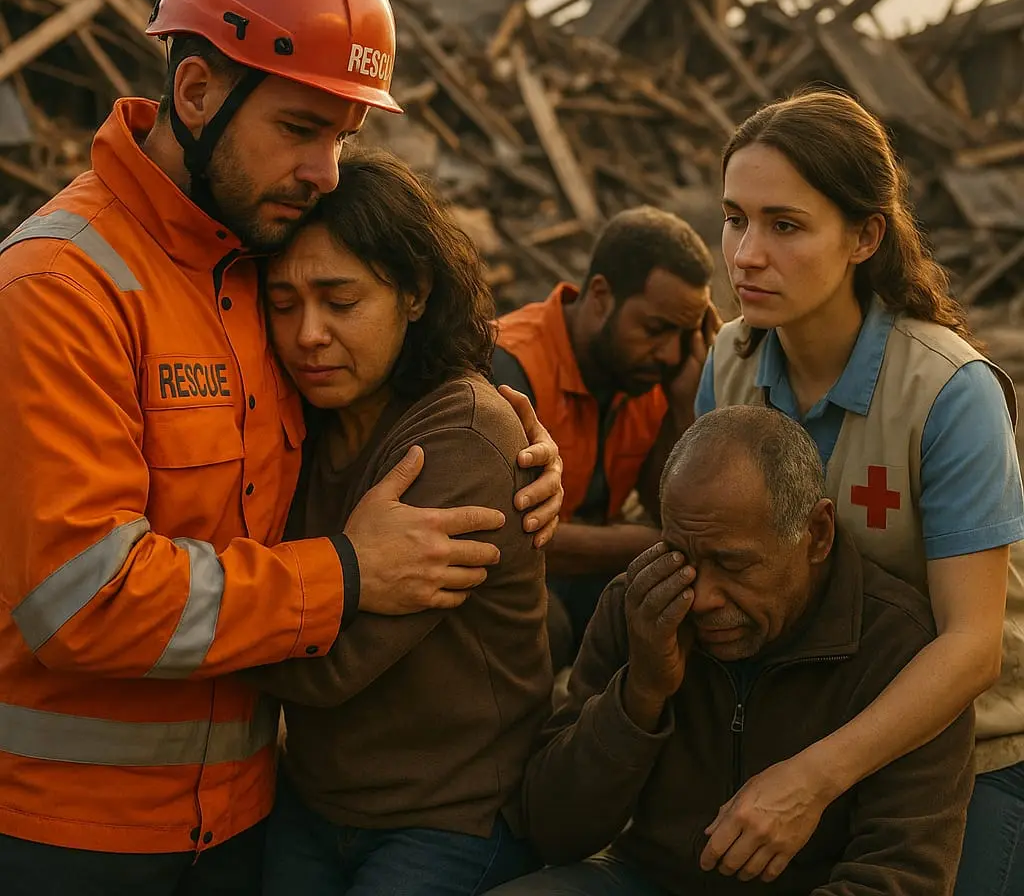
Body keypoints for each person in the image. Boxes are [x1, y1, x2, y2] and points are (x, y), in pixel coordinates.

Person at [0, 0, 561, 895]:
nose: (326, 173)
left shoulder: (256, 264)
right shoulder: (60, 287)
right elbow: (81, 596)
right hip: (73, 836)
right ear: (198, 93)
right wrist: (345, 573)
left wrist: (514, 421)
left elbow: (396, 353)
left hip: (245, 820)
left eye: (343, 139)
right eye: (300, 129)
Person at [694, 89, 1024, 893]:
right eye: (735, 218)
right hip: (800, 712)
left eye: (785, 225)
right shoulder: (731, 364)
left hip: (973, 740)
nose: (744, 255)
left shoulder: (949, 392)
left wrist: (810, 779)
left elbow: (972, 646)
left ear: (865, 236)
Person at [492, 406, 975, 896]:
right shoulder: (641, 605)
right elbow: (553, 830)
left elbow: (899, 879)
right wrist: (640, 696)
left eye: (733, 564)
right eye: (681, 556)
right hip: (648, 877)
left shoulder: (901, 647)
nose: (701, 597)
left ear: (817, 535)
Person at [242, 150, 553, 895]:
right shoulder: (296, 422)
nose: (309, 334)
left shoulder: (464, 436)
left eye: (340, 301)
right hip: (314, 801)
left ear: (414, 293)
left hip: (449, 815)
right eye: (283, 305)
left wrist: (177, 622)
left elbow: (334, 668)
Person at [493, 207, 716, 665]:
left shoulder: (651, 375)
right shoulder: (510, 368)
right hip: (503, 579)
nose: (671, 352)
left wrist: (682, 407)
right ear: (600, 295)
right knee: (543, 625)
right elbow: (511, 539)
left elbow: (663, 506)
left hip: (587, 575)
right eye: (655, 330)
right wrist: (655, 544)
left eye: (685, 335)